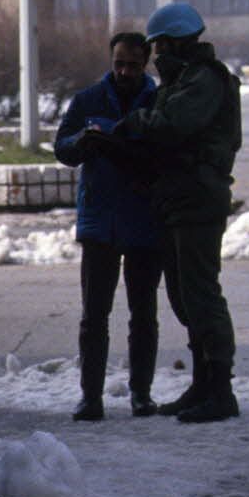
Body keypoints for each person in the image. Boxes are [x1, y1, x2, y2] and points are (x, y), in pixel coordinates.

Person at [114, 2, 242, 423]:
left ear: (175, 42)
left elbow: (173, 124)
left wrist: (137, 122)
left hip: (198, 196)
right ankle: (203, 383)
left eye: (160, 46)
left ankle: (220, 391)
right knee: (185, 297)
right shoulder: (185, 78)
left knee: (201, 294)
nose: (157, 56)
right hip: (178, 196)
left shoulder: (204, 79)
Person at [55, 32, 164, 421]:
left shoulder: (157, 101)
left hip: (144, 221)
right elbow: (62, 148)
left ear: (145, 63)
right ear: (111, 59)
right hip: (99, 221)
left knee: (143, 313)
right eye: (119, 62)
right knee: (93, 315)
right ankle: (90, 397)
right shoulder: (88, 100)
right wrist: (82, 142)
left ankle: (141, 394)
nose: (124, 71)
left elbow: (162, 154)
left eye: (133, 65)